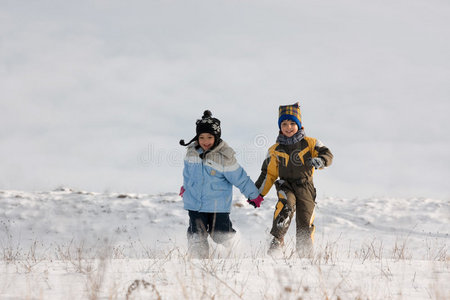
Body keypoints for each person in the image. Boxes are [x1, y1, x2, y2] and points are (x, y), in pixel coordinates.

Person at [179, 110, 264, 258]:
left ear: (216, 137)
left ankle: (240, 253)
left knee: (220, 234)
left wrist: (253, 195)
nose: (205, 141)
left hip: (217, 206)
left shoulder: (225, 157)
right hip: (195, 204)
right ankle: (198, 263)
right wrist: (185, 188)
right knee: (196, 235)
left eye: (210, 137)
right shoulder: (191, 153)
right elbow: (188, 175)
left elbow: (240, 178)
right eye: (202, 137)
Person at [255, 102, 333, 256]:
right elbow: (268, 174)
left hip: (306, 187)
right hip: (286, 185)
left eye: (292, 123)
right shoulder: (275, 150)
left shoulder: (310, 143)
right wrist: (257, 194)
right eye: (284, 123)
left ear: (299, 125)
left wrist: (321, 160)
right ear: (280, 127)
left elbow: (327, 153)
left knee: (305, 219)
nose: (288, 127)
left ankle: (305, 253)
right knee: (286, 205)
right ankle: (277, 241)